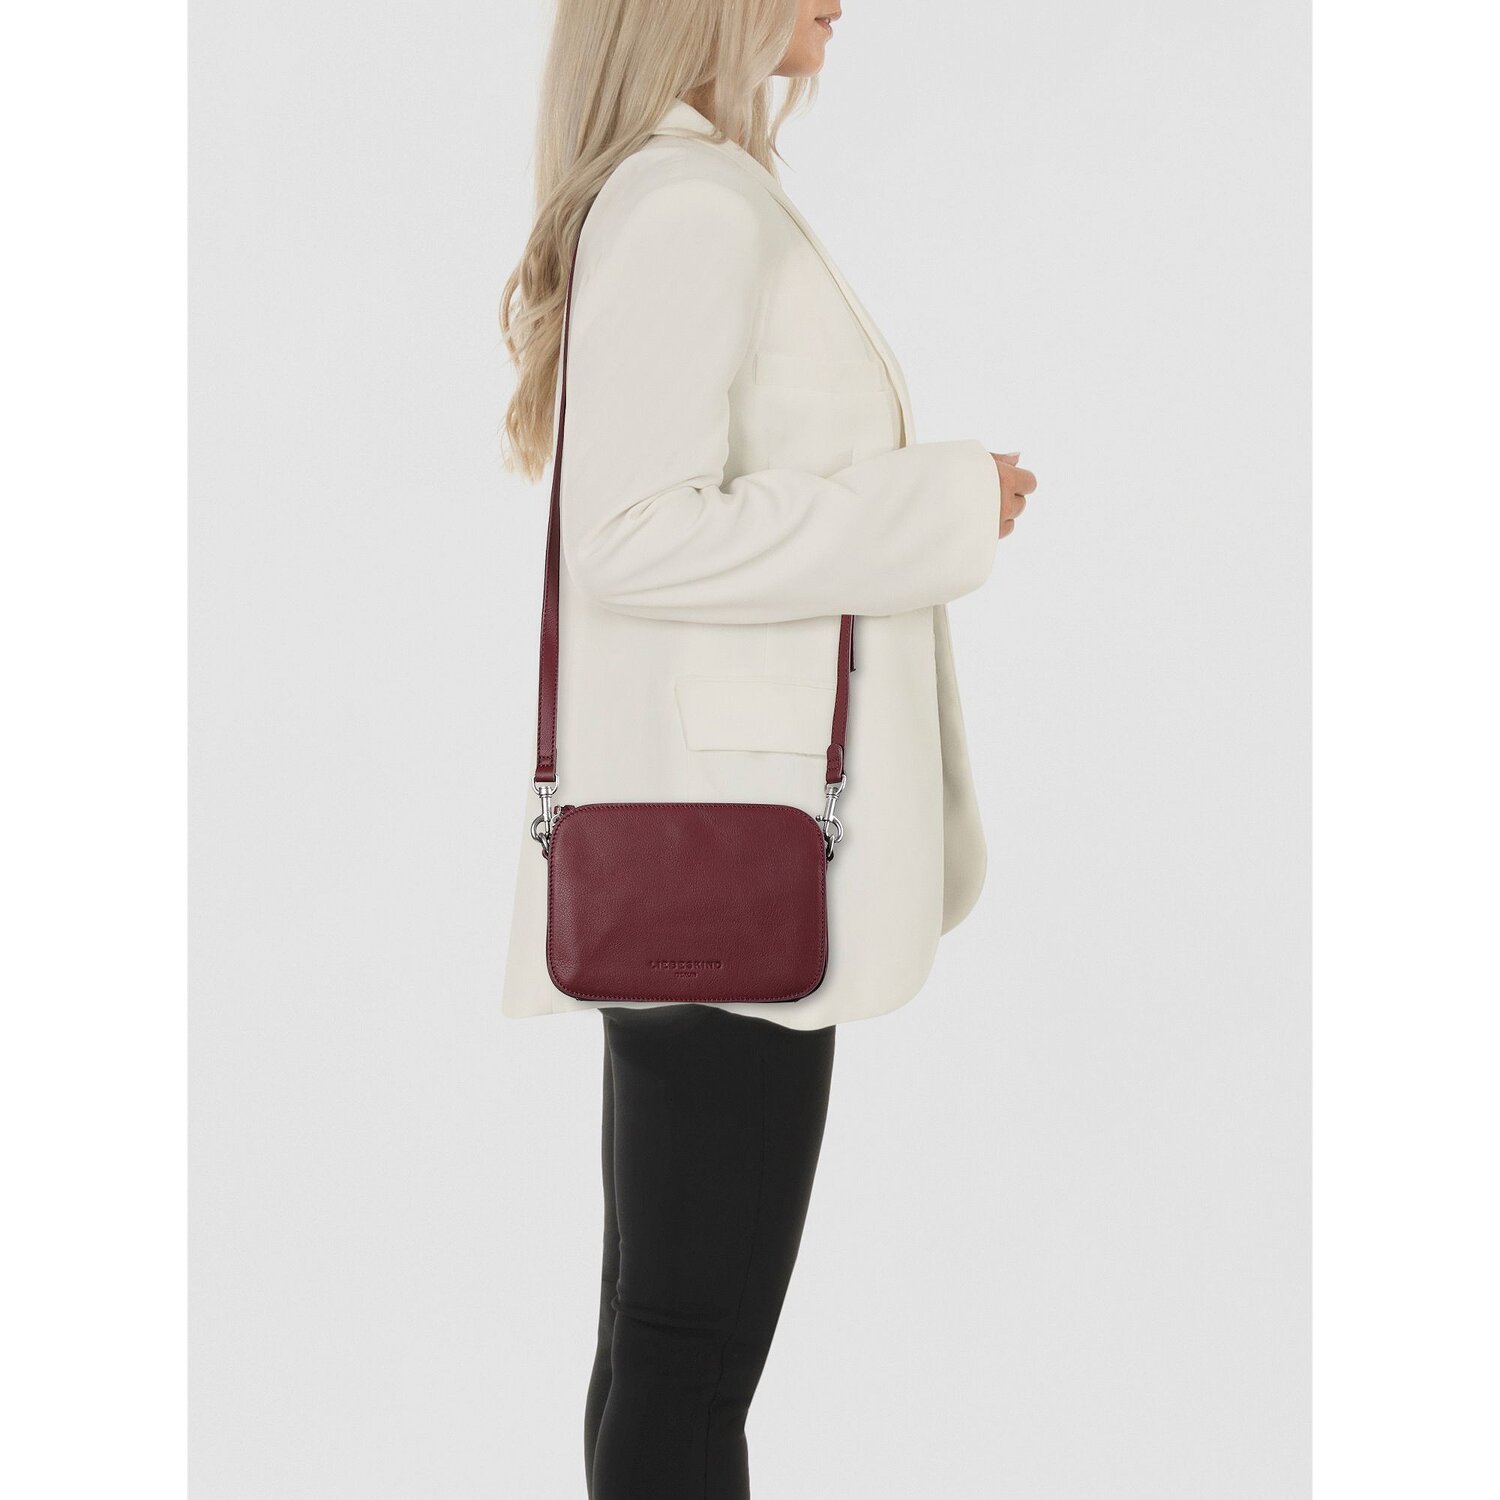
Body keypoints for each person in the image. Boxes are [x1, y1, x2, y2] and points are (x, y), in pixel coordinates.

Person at [498, 2, 1036, 1494]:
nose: (841, 1)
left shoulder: (689, 189)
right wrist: (943, 503)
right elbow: (630, 534)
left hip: (705, 846)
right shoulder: (688, 206)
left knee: (661, 1347)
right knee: (684, 1361)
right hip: (734, 865)